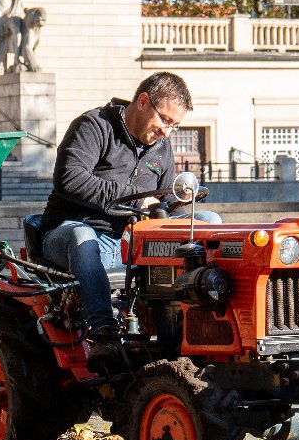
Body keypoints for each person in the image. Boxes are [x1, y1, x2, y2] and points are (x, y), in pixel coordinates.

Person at [39, 72, 215, 369]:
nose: (168, 132)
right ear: (143, 101)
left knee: (210, 221)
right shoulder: (93, 126)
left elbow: (167, 202)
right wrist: (136, 198)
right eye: (166, 121)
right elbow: (70, 179)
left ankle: (192, 328)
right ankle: (104, 334)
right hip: (70, 233)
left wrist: (182, 198)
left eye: (175, 125)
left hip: (130, 241)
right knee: (82, 238)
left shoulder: (161, 147)